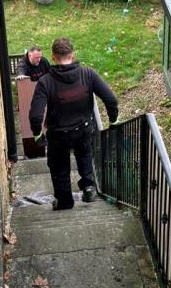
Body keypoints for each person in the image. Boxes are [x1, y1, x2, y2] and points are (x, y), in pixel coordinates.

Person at [29, 37, 118, 210]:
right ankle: (88, 187)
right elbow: (111, 100)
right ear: (73, 54)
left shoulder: (45, 82)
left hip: (58, 135)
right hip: (83, 129)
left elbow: (35, 115)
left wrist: (38, 135)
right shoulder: (88, 74)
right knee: (85, 154)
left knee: (59, 167)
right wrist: (113, 121)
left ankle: (64, 201)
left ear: (53, 57)